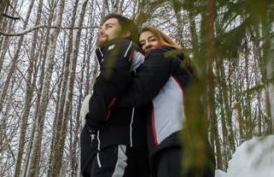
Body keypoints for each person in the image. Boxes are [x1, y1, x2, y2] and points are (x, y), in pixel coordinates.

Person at [114, 26, 214, 177]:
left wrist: (107, 99)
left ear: (164, 40)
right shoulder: (180, 67)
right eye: (141, 43)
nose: (146, 45)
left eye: (152, 39)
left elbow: (139, 91)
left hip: (176, 146)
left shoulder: (162, 54)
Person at [80, 13, 151, 177]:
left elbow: (111, 78)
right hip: (109, 148)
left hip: (117, 144)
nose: (101, 30)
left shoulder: (120, 45)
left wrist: (92, 122)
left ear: (125, 32)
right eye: (101, 27)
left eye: (109, 26)